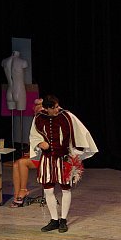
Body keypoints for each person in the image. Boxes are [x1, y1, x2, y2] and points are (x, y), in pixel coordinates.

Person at [29, 95, 98, 232]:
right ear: (47, 108)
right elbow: (34, 135)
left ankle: (63, 220)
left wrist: (76, 152)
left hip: (63, 158)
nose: (57, 109)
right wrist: (39, 143)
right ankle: (54, 220)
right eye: (54, 107)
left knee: (66, 189)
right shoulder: (39, 118)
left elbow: (80, 132)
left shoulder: (66, 116)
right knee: (48, 190)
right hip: (48, 159)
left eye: (57, 106)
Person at [10, 98, 44, 207]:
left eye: (39, 107)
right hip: (37, 153)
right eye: (36, 107)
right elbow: (34, 140)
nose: (36, 109)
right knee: (16, 164)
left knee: (22, 162)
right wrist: (30, 152)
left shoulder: (46, 122)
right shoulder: (36, 121)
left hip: (45, 156)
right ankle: (17, 195)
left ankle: (23, 190)